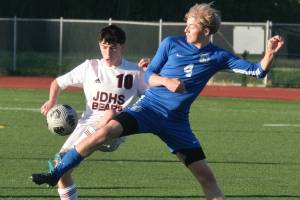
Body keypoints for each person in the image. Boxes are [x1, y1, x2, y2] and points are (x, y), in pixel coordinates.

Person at [32, 3, 284, 200]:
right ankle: (57, 173)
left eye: (191, 25)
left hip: (176, 123)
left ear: (206, 31)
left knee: (206, 177)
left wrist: (269, 55)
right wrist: (166, 81)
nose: (185, 28)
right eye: (186, 24)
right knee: (105, 131)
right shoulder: (170, 44)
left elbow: (258, 72)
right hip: (147, 109)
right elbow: (149, 74)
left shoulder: (218, 56)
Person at [40, 24, 149, 200]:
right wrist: (52, 100)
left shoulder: (135, 72)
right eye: (104, 47)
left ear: (122, 46)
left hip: (114, 129)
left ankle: (91, 135)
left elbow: (153, 94)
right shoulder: (89, 67)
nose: (107, 52)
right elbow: (58, 82)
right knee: (60, 168)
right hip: (86, 125)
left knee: (111, 112)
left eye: (112, 48)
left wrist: (149, 73)